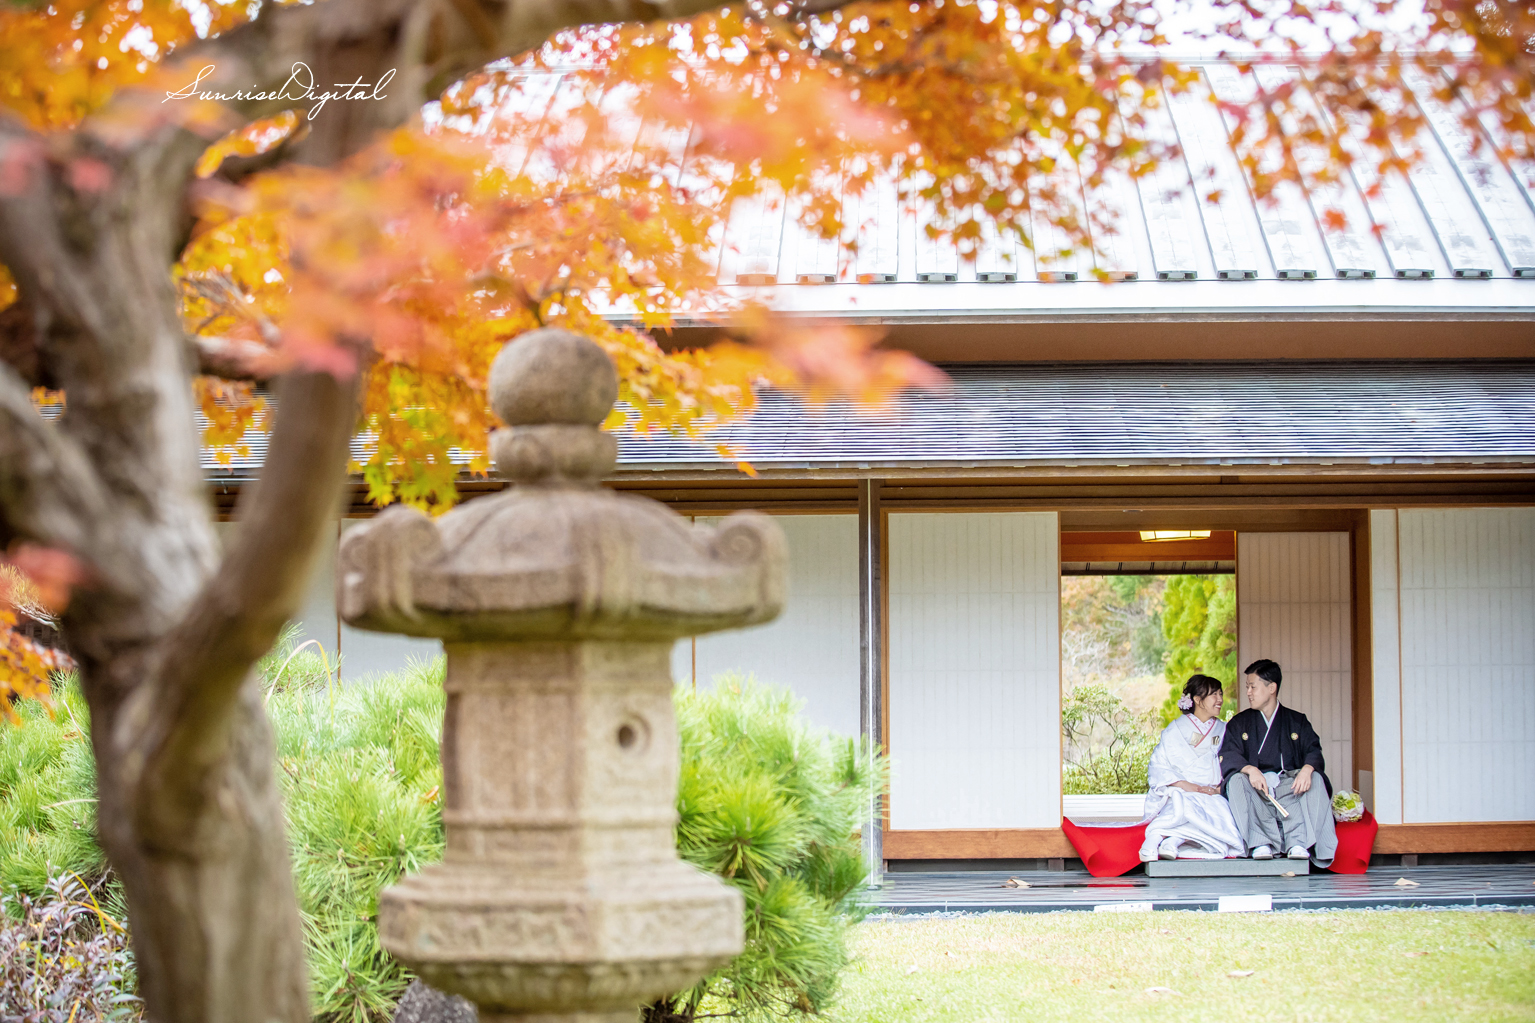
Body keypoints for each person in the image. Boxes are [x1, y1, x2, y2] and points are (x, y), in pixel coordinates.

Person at [1219, 658, 1338, 866]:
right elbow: (1228, 754)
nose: (1248, 692)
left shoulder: (1296, 720)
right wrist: (1250, 770)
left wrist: (1307, 769)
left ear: (1272, 687)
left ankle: (1299, 842)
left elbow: (1313, 749)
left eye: (1253, 687)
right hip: (1256, 787)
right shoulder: (1239, 723)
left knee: (1316, 778)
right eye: (1247, 687)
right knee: (1236, 781)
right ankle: (1259, 843)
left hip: (1289, 787)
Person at [1139, 675, 1245, 861]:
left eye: (1220, 694)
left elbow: (1234, 762)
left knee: (1213, 811)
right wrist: (1184, 784)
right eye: (1214, 694)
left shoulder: (1225, 729)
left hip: (1211, 793)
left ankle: (1172, 842)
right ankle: (1154, 841)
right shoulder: (1175, 729)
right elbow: (1159, 764)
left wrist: (1218, 789)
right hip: (1182, 788)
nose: (1220, 699)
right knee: (1182, 805)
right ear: (1197, 699)